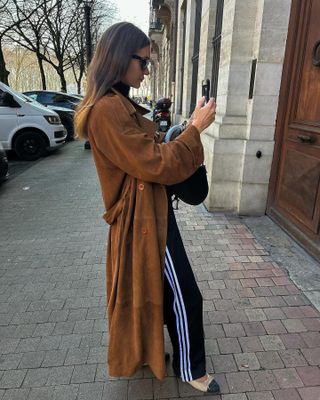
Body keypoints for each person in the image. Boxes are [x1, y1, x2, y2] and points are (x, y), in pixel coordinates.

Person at [75, 22, 219, 394]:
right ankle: (192, 370)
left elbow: (151, 151)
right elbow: (154, 163)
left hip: (149, 213)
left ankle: (150, 352)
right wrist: (195, 130)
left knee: (155, 291)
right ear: (121, 59)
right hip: (144, 220)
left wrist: (183, 128)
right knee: (185, 293)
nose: (147, 70)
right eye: (143, 62)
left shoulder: (119, 105)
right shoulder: (106, 111)